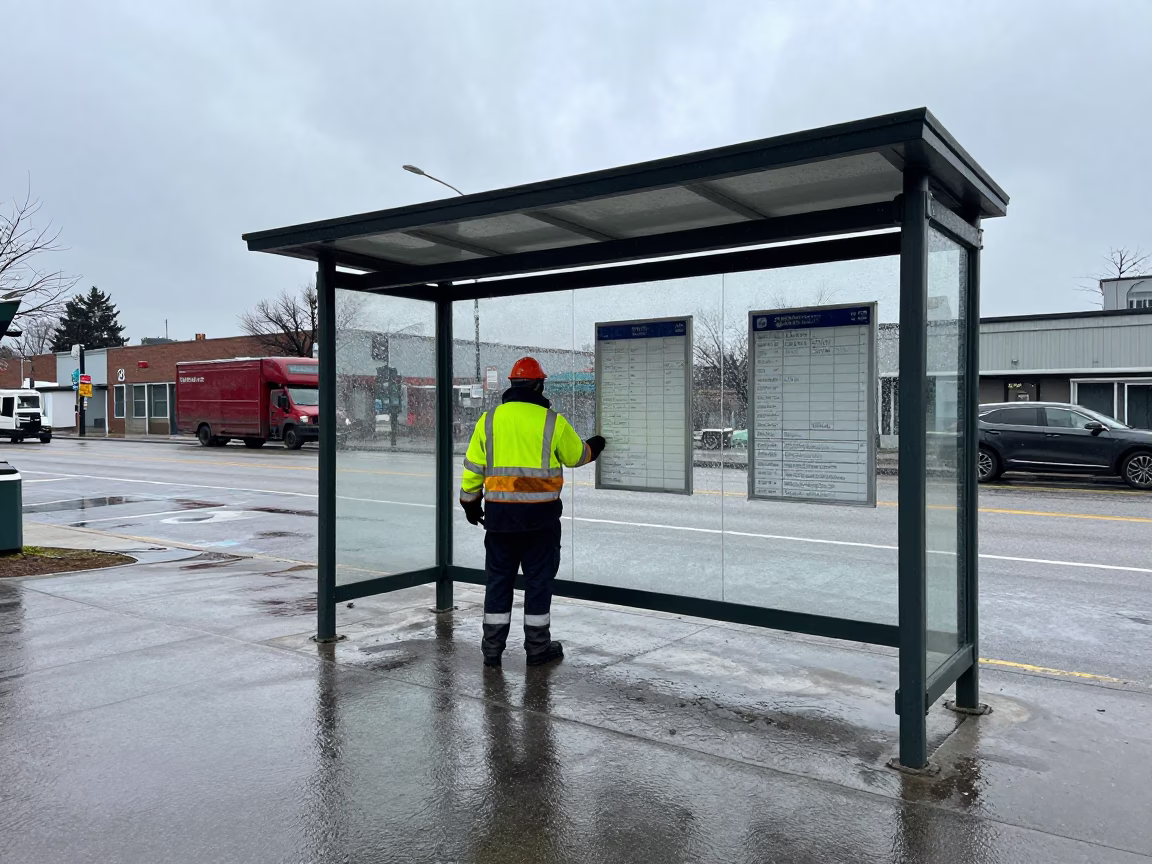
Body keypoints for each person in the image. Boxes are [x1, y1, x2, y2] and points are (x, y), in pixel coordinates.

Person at [459, 356, 606, 668]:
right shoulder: (551, 421)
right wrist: (597, 444)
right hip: (541, 522)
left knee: (498, 583)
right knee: (538, 583)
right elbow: (577, 455)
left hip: (499, 522)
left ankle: (492, 650)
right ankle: (538, 649)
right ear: (539, 385)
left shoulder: (489, 420)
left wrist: (470, 504)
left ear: (512, 384)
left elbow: (473, 468)